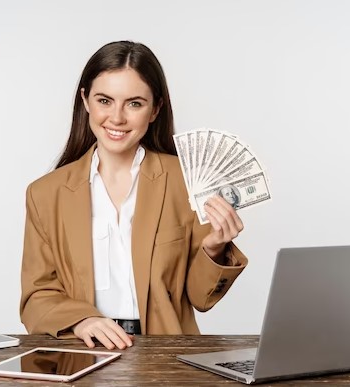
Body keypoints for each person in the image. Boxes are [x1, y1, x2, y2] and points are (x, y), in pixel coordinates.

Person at [20, 40, 248, 350]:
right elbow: (36, 298)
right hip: (82, 349)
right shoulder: (44, 194)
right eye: (105, 100)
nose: (117, 117)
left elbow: (201, 298)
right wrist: (81, 319)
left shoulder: (185, 182)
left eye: (134, 103)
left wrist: (215, 248)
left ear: (155, 109)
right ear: (85, 100)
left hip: (166, 356)